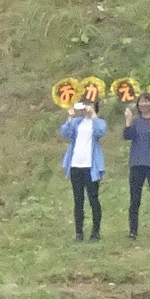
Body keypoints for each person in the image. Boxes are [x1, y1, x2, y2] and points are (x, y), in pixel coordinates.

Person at [61, 100, 108, 242]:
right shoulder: (77, 122)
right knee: (78, 200)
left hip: (90, 167)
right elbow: (65, 132)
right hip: (76, 165)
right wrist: (70, 116)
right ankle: (79, 232)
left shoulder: (97, 122)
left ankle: (95, 231)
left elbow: (101, 131)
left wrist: (93, 114)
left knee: (93, 198)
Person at [122, 93, 150, 240]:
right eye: (141, 102)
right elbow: (128, 136)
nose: (144, 104)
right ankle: (133, 231)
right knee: (134, 199)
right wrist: (128, 121)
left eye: (147, 102)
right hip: (136, 163)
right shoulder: (135, 121)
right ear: (138, 105)